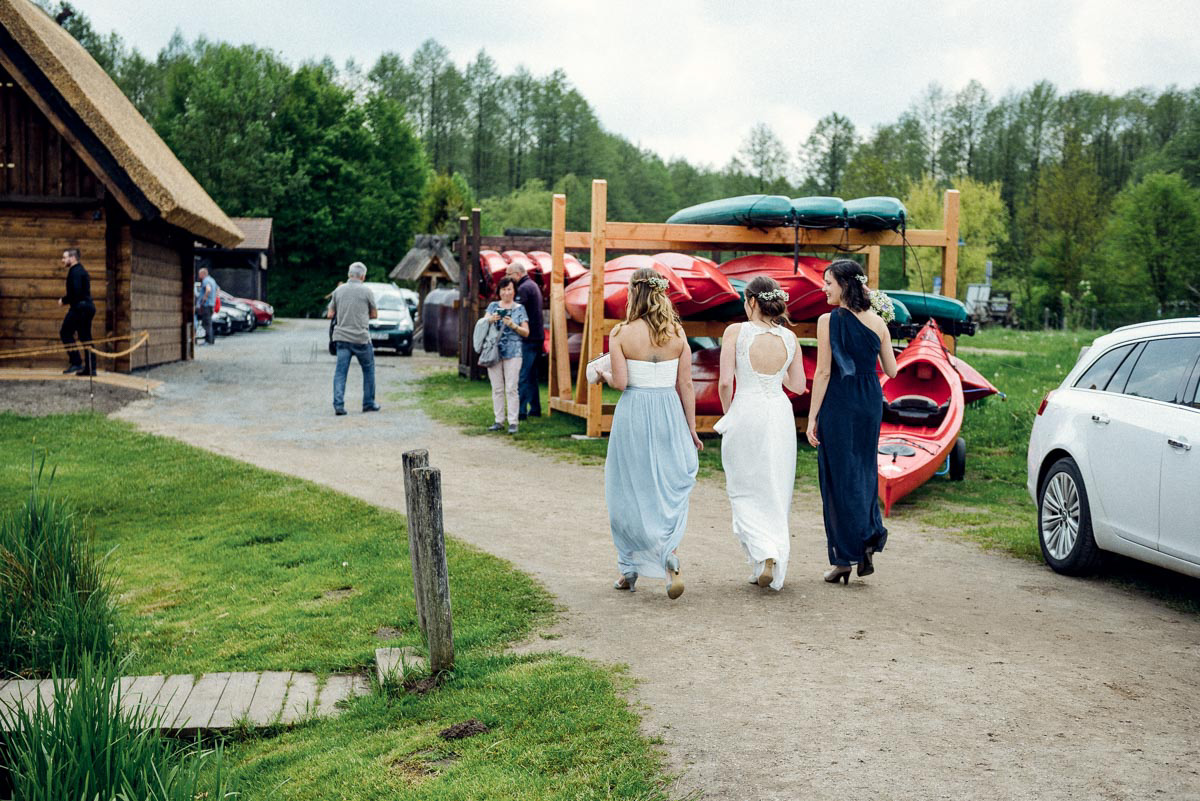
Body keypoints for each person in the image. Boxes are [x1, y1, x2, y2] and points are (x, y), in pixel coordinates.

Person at [600, 268, 701, 599]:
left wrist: (601, 372)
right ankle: (668, 553)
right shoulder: (678, 334)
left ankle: (628, 570)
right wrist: (691, 428)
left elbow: (622, 382)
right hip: (669, 412)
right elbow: (685, 384)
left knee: (627, 489)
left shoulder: (621, 333)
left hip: (634, 414)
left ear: (633, 293)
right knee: (663, 487)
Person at [806, 260, 898, 584]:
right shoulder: (879, 323)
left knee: (836, 475)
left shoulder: (827, 321)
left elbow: (824, 372)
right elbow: (892, 370)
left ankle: (844, 558)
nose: (824, 288)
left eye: (828, 282)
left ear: (845, 285)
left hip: (840, 401)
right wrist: (881, 327)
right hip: (870, 401)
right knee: (862, 470)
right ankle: (868, 535)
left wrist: (812, 417)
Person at [714, 276, 807, 590]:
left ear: (752, 301)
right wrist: (775, 376)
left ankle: (762, 553)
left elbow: (726, 382)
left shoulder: (735, 332)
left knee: (743, 486)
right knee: (775, 486)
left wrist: (729, 413)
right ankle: (769, 557)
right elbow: (798, 385)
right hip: (778, 413)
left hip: (746, 410)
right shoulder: (790, 339)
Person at [327, 262, 381, 415]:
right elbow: (374, 314)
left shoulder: (338, 290)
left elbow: (330, 314)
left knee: (340, 372)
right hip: (361, 339)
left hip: (342, 338)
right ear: (363, 276)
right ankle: (368, 403)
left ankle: (339, 405)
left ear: (349, 274)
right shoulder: (367, 291)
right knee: (368, 370)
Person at [484, 276, 530, 433]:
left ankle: (513, 422)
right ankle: (498, 421)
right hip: (494, 351)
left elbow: (526, 332)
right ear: (499, 291)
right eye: (503, 289)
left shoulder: (519, 309)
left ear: (514, 290)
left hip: (514, 352)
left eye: (509, 289)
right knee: (497, 387)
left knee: (511, 387)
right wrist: (492, 319)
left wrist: (512, 325)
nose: (506, 292)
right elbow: (482, 324)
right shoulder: (492, 307)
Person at [507, 261, 544, 420]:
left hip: (529, 338)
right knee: (531, 375)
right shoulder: (532, 285)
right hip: (537, 336)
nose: (508, 278)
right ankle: (535, 409)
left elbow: (517, 311)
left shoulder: (523, 288)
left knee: (522, 375)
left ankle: (520, 411)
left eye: (509, 274)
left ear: (517, 274)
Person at [58, 248, 96, 375]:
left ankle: (76, 362)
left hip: (80, 308)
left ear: (72, 258)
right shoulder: (81, 270)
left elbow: (76, 292)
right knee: (86, 337)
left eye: (65, 257)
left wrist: (64, 300)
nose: (62, 260)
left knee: (65, 332)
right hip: (87, 307)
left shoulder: (75, 272)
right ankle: (91, 369)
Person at [196, 267, 219, 345]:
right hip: (211, 304)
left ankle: (208, 340)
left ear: (203, 274)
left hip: (206, 304)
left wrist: (204, 300)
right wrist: (214, 301)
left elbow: (208, 289)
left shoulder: (206, 281)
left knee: (206, 323)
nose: (199, 276)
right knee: (209, 322)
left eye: (199, 274)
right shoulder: (212, 280)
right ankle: (211, 339)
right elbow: (217, 290)